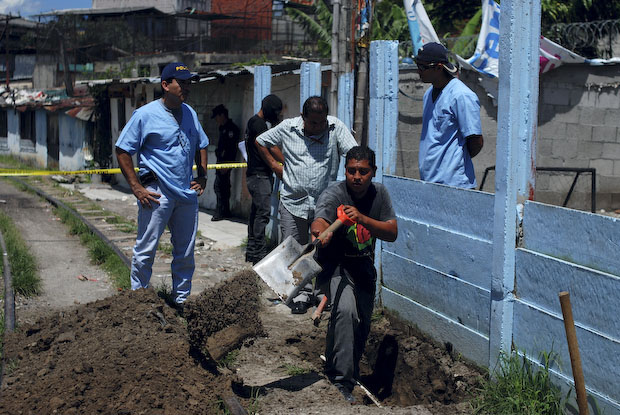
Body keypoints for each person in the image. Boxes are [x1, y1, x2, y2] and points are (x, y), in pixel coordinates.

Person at [115, 62, 209, 308]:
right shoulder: (145, 115)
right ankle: (140, 300)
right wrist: (136, 187)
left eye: (189, 83)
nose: (186, 87)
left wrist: (202, 176)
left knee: (185, 252)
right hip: (157, 192)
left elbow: (201, 143)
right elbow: (123, 149)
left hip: (185, 194)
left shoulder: (190, 112)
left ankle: (181, 301)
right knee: (146, 250)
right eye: (182, 83)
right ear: (165, 85)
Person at [311, 146, 398, 403]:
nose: (356, 176)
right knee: (346, 313)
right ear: (345, 171)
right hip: (336, 266)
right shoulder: (335, 193)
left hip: (363, 269)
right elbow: (320, 220)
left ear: (373, 172)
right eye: (351, 171)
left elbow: (392, 233)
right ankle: (342, 382)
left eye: (363, 171)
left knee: (359, 326)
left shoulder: (379, 194)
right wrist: (319, 233)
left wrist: (362, 218)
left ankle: (338, 368)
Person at [256, 96, 357, 314]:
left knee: (323, 249)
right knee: (294, 249)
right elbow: (261, 141)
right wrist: (275, 166)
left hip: (324, 203)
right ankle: (300, 296)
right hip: (293, 201)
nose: (318, 127)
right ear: (303, 118)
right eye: (313, 123)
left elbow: (353, 153)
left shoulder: (335, 127)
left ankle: (321, 295)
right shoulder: (287, 128)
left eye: (321, 122)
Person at [415, 42, 484, 189]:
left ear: (439, 67)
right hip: (429, 181)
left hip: (454, 185)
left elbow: (476, 141)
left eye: (423, 67)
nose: (418, 71)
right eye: (417, 65)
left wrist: (452, 163)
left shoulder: (461, 96)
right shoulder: (428, 94)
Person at [244, 94, 284, 265]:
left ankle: (253, 252)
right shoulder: (258, 124)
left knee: (256, 214)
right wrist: (285, 162)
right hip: (260, 176)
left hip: (256, 175)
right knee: (262, 215)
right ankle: (258, 254)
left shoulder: (254, 122)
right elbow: (268, 147)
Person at [211, 104, 240, 221]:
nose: (216, 120)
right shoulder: (222, 128)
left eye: (217, 117)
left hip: (226, 163)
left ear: (222, 115)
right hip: (220, 162)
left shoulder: (231, 129)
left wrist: (228, 164)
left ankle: (220, 212)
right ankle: (225, 211)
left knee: (219, 187)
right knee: (223, 187)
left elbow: (232, 149)